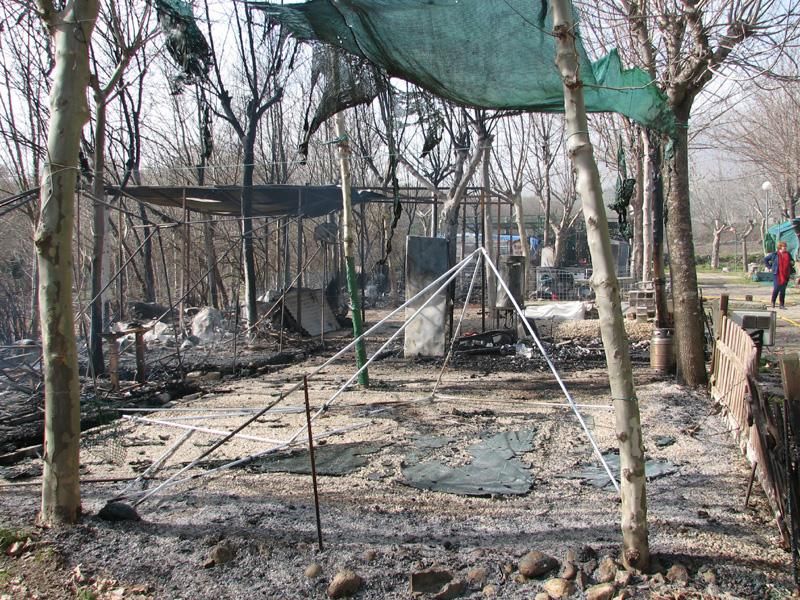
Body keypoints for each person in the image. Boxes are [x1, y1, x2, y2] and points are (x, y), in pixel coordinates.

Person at [764, 241, 795, 309]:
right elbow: (765, 259)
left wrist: (792, 262)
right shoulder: (775, 254)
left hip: (786, 274)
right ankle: (773, 301)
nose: (785, 248)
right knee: (776, 288)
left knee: (783, 290)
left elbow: (792, 261)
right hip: (777, 273)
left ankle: (781, 304)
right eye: (784, 246)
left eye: (785, 246)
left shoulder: (788, 254)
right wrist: (770, 267)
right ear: (780, 247)